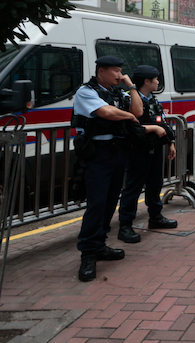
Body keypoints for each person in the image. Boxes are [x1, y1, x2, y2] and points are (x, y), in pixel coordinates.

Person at [72, 56, 142, 282]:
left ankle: (99, 244)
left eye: (121, 70)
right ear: (101, 71)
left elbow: (138, 111)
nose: (119, 75)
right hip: (97, 153)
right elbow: (106, 113)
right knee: (97, 203)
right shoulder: (86, 92)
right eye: (115, 71)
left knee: (111, 200)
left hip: (117, 151)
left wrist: (131, 87)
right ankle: (88, 253)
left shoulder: (118, 92)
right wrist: (128, 115)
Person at [118, 65, 178, 244]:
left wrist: (171, 142)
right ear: (147, 81)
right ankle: (125, 225)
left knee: (155, 183)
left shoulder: (153, 99)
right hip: (138, 149)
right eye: (156, 79)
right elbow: (130, 127)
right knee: (133, 187)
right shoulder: (129, 99)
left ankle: (155, 217)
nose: (158, 82)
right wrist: (153, 128)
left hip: (155, 147)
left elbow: (163, 121)